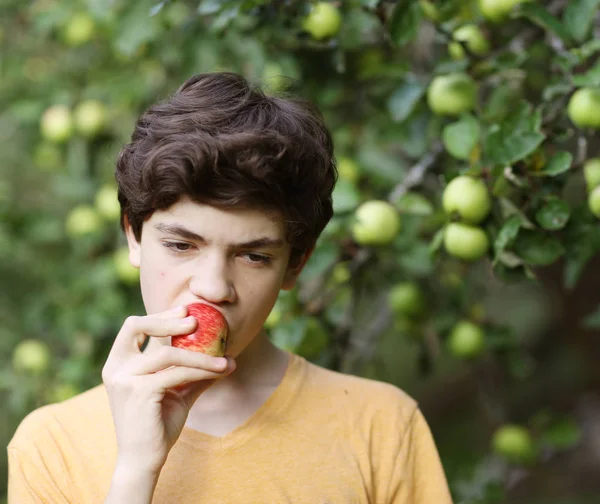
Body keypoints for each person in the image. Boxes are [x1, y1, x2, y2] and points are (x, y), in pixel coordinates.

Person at [8, 72, 453, 503]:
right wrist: (135, 471)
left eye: (253, 256)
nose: (213, 287)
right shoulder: (51, 446)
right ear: (134, 235)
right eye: (182, 245)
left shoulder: (382, 427)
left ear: (296, 264)